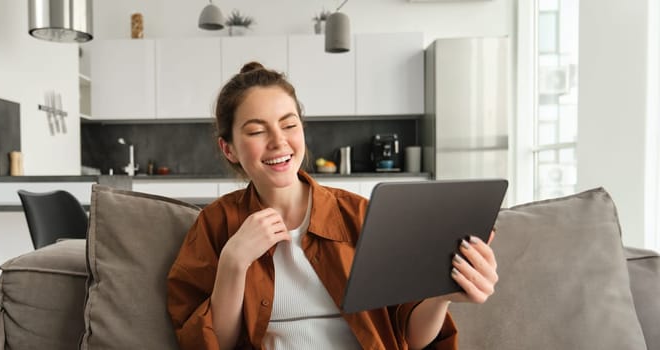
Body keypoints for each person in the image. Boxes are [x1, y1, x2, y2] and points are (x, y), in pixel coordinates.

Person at [166, 62, 498, 350]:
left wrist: (442, 293)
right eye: (256, 131)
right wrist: (233, 261)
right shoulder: (215, 225)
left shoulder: (362, 216)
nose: (278, 141)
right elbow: (213, 344)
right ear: (229, 150)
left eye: (289, 124)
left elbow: (409, 338)